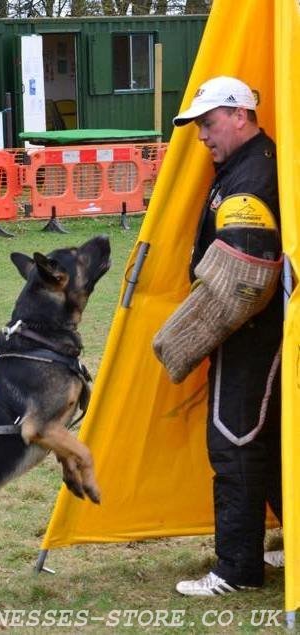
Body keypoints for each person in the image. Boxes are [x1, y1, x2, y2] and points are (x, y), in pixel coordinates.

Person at [172, 76, 284, 595]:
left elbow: (245, 280)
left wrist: (192, 335)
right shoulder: (249, 164)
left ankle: (237, 570)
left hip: (248, 333)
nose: (202, 136)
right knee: (273, 441)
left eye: (209, 123)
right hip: (265, 333)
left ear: (241, 115)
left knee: (234, 442)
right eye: (198, 127)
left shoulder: (250, 178)